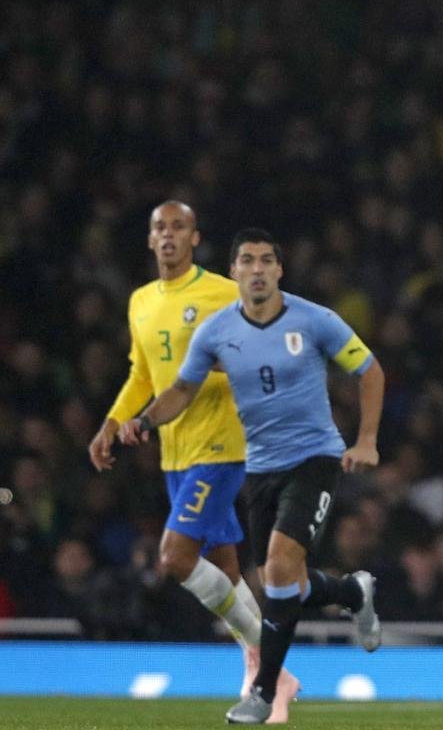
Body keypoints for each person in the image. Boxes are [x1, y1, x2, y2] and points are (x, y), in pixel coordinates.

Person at [118, 228, 385, 725]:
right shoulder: (217, 331)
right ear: (235, 271)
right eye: (247, 260)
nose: (257, 268)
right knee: (286, 585)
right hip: (260, 470)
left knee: (280, 571)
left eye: (266, 259)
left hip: (314, 460)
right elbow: (182, 389)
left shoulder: (314, 320)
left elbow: (369, 371)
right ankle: (353, 592)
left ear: (279, 270)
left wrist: (366, 441)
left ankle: (263, 690)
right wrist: (144, 421)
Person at [87, 202, 299, 720]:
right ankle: (257, 667)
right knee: (225, 571)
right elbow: (143, 372)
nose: (168, 235)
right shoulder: (141, 301)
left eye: (178, 227)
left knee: (176, 558)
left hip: (222, 447)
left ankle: (275, 671)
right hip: (175, 452)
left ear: (194, 238)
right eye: (159, 227)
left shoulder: (222, 294)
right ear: (149, 238)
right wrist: (113, 422)